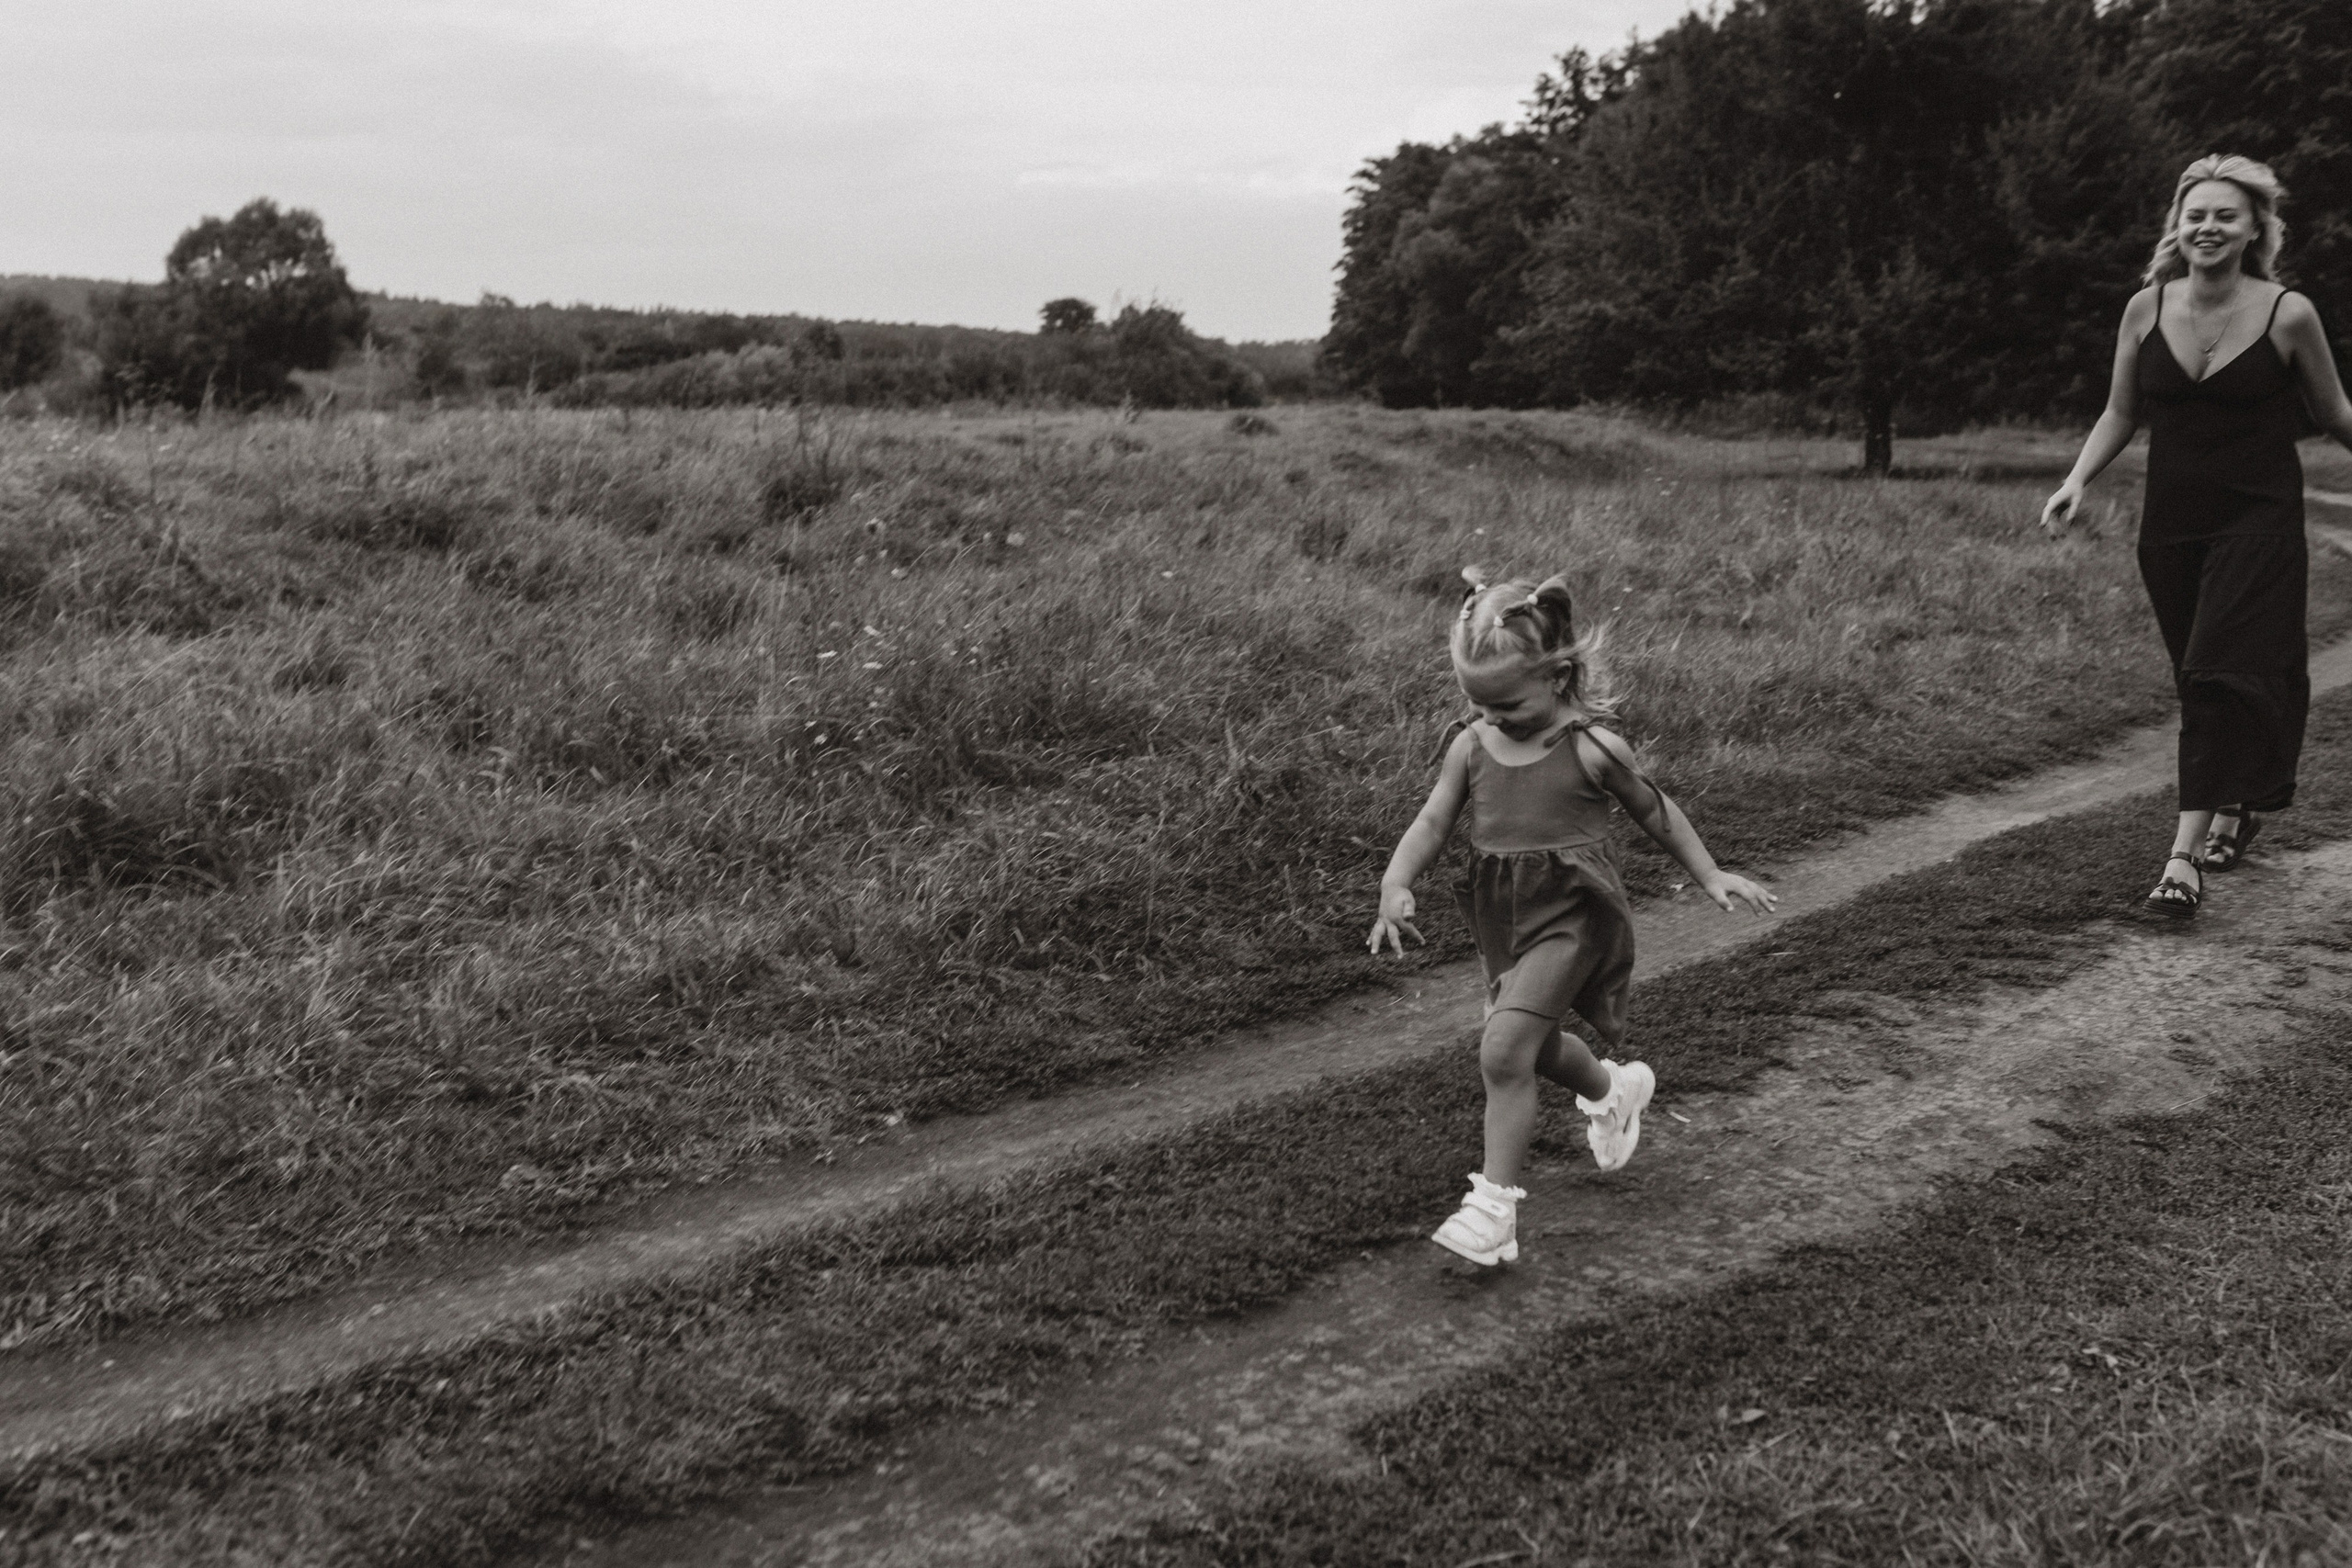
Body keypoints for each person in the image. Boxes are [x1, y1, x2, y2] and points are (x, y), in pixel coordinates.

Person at [1367, 570, 1777, 1266]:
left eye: (1507, 705)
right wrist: (1395, 880)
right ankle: (1613, 1091)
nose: (1492, 719)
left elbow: (1654, 809)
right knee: (1535, 1045)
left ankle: (1494, 1209)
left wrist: (1708, 872)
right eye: (1479, 703)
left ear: (1559, 676)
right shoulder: (1471, 745)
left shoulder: (1593, 748)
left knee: (1502, 1050)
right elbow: (1434, 819)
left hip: (1574, 916)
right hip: (1507, 916)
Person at [2041, 154, 2352, 917]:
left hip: (2261, 521)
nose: (2208, 227)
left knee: (2217, 671)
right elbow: (2121, 411)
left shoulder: (2289, 313)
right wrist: (2078, 479)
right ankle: (2237, 802)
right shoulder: (2145, 308)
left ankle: (2181, 861)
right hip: (2173, 525)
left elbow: (2336, 414)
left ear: (2255, 229)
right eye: (2196, 214)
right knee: (2198, 678)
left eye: (2225, 215)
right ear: (2177, 226)